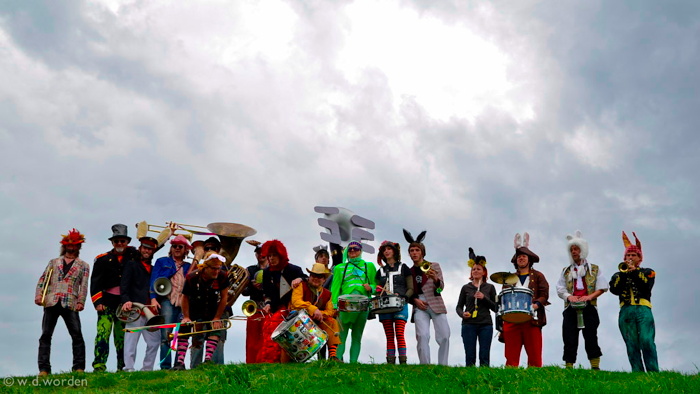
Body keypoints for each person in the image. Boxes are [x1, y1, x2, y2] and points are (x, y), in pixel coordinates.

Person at [35, 229, 90, 377]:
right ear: (64, 246)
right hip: (51, 301)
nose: (72, 248)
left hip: (70, 302)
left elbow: (83, 286)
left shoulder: (83, 265)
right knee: (46, 335)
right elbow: (43, 279)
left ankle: (79, 367)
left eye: (75, 245)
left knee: (77, 335)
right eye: (69, 245)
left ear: (79, 247)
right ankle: (44, 369)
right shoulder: (53, 262)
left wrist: (81, 302)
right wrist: (39, 295)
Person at [91, 224, 139, 372]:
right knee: (102, 335)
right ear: (112, 242)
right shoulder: (102, 259)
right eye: (117, 241)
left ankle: (122, 366)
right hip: (106, 302)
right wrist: (97, 302)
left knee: (122, 338)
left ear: (127, 242)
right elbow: (95, 282)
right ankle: (99, 366)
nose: (119, 244)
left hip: (124, 304)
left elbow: (149, 250)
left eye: (122, 241)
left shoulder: (133, 256)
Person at [556, 231, 607, 370]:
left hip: (589, 306)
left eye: (576, 249)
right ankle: (569, 366)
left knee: (591, 336)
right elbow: (560, 288)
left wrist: (589, 297)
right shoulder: (566, 271)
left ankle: (595, 367)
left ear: (582, 250)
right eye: (572, 249)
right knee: (569, 337)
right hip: (570, 307)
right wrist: (569, 297)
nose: (574, 252)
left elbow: (602, 287)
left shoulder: (595, 269)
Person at [609, 231, 659, 372]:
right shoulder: (618, 274)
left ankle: (653, 372)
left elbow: (646, 286)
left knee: (647, 340)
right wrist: (625, 274)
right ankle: (637, 373)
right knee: (631, 343)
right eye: (628, 255)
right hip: (626, 311)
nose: (630, 258)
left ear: (639, 258)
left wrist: (635, 272)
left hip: (643, 310)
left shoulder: (648, 272)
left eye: (633, 255)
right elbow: (614, 289)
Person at [172, 253, 231, 370]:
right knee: (184, 327)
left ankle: (208, 360)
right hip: (194, 306)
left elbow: (224, 297)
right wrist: (186, 316)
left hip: (212, 306)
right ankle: (179, 363)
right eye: (214, 269)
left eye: (218, 269)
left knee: (216, 329)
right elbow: (185, 297)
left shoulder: (222, 276)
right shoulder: (192, 277)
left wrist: (217, 317)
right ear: (206, 267)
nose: (216, 272)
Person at [502, 232, 549, 368]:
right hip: (512, 319)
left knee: (534, 356)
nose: (521, 259)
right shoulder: (509, 278)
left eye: (524, 256)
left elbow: (544, 294)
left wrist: (536, 305)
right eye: (519, 257)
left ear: (529, 259)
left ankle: (534, 382)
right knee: (511, 357)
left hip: (532, 319)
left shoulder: (538, 276)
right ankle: (510, 380)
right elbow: (504, 298)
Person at [404, 229, 450, 365]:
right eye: (411, 251)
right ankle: (425, 365)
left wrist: (436, 279)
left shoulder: (434, 266)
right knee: (422, 336)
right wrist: (414, 301)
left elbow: (441, 288)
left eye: (417, 250)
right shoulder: (408, 271)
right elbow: (406, 291)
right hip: (419, 305)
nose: (414, 253)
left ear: (422, 252)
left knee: (445, 336)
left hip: (435, 302)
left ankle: (443, 365)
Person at [258, 240, 306, 363]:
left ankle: (276, 360)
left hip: (292, 309)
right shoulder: (267, 272)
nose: (271, 258)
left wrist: (299, 279)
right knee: (266, 325)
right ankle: (269, 359)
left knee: (274, 324)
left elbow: (306, 279)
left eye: (274, 255)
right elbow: (267, 293)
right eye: (269, 256)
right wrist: (267, 304)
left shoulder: (294, 269)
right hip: (275, 308)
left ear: (281, 255)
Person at [149, 235, 192, 370]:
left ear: (186, 250)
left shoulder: (189, 266)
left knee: (182, 334)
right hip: (167, 300)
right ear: (171, 248)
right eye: (174, 246)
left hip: (184, 302)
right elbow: (154, 280)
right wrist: (153, 298)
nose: (177, 249)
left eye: (180, 246)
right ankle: (166, 366)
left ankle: (178, 364)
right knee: (166, 334)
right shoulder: (162, 261)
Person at [331, 241, 377, 363]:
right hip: (344, 305)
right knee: (341, 335)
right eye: (350, 250)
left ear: (360, 251)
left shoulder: (369, 266)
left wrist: (371, 287)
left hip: (363, 305)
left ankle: (353, 363)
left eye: (355, 249)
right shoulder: (340, 268)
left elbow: (376, 285)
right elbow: (335, 288)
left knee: (357, 336)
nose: (352, 251)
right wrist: (334, 305)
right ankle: (339, 361)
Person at [120, 235, 160, 372]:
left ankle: (147, 369)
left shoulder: (155, 268)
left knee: (154, 342)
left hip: (151, 310)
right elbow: (124, 286)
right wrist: (126, 300)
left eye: (150, 249)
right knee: (130, 341)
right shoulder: (131, 264)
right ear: (140, 248)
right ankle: (129, 367)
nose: (147, 251)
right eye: (145, 248)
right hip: (135, 309)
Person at [290, 263, 341, 360]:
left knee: (332, 321)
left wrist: (320, 314)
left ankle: (333, 356)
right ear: (309, 276)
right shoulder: (300, 285)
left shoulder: (327, 294)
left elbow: (330, 311)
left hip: (316, 322)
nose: (316, 278)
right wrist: (313, 309)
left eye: (320, 276)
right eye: (313, 275)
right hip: (298, 321)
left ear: (324, 279)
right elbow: (296, 302)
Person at [456, 247, 497, 367]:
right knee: (470, 356)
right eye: (473, 269)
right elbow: (458, 307)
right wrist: (462, 314)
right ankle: (470, 380)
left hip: (485, 324)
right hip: (469, 324)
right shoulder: (466, 288)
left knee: (484, 355)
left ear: (484, 272)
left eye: (478, 269)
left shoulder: (490, 288)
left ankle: (484, 380)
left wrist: (484, 298)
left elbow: (496, 307)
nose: (475, 271)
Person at [375, 240, 413, 364]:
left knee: (400, 333)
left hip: (401, 304)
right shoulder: (380, 271)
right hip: (385, 305)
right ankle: (390, 362)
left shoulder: (404, 268)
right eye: (384, 250)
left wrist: (404, 297)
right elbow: (377, 289)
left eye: (389, 249)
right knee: (389, 335)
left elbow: (411, 288)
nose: (386, 251)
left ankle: (403, 361)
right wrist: (377, 293)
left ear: (394, 251)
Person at [242, 239, 267, 363]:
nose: (260, 254)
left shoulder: (274, 270)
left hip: (269, 307)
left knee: (267, 338)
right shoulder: (250, 270)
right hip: (255, 307)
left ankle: (267, 361)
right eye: (257, 252)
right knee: (252, 340)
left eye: (262, 252)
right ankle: (252, 362)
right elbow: (244, 292)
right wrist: (251, 286)